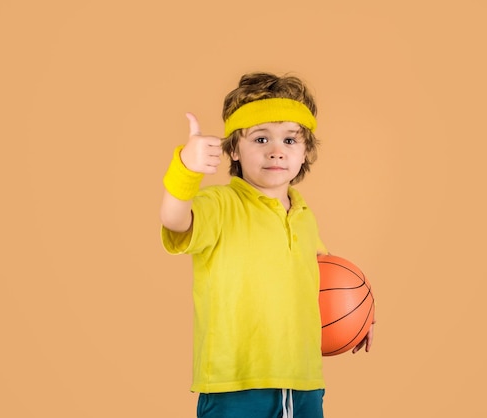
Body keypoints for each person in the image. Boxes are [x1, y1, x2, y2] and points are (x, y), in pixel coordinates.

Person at [159, 72, 374, 418]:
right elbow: (175, 219)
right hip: (235, 384)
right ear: (233, 149)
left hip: (303, 382)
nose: (276, 151)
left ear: (305, 153)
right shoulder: (220, 204)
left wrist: (361, 313)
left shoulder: (304, 215)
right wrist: (186, 169)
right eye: (260, 139)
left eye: (290, 141)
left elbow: (326, 277)